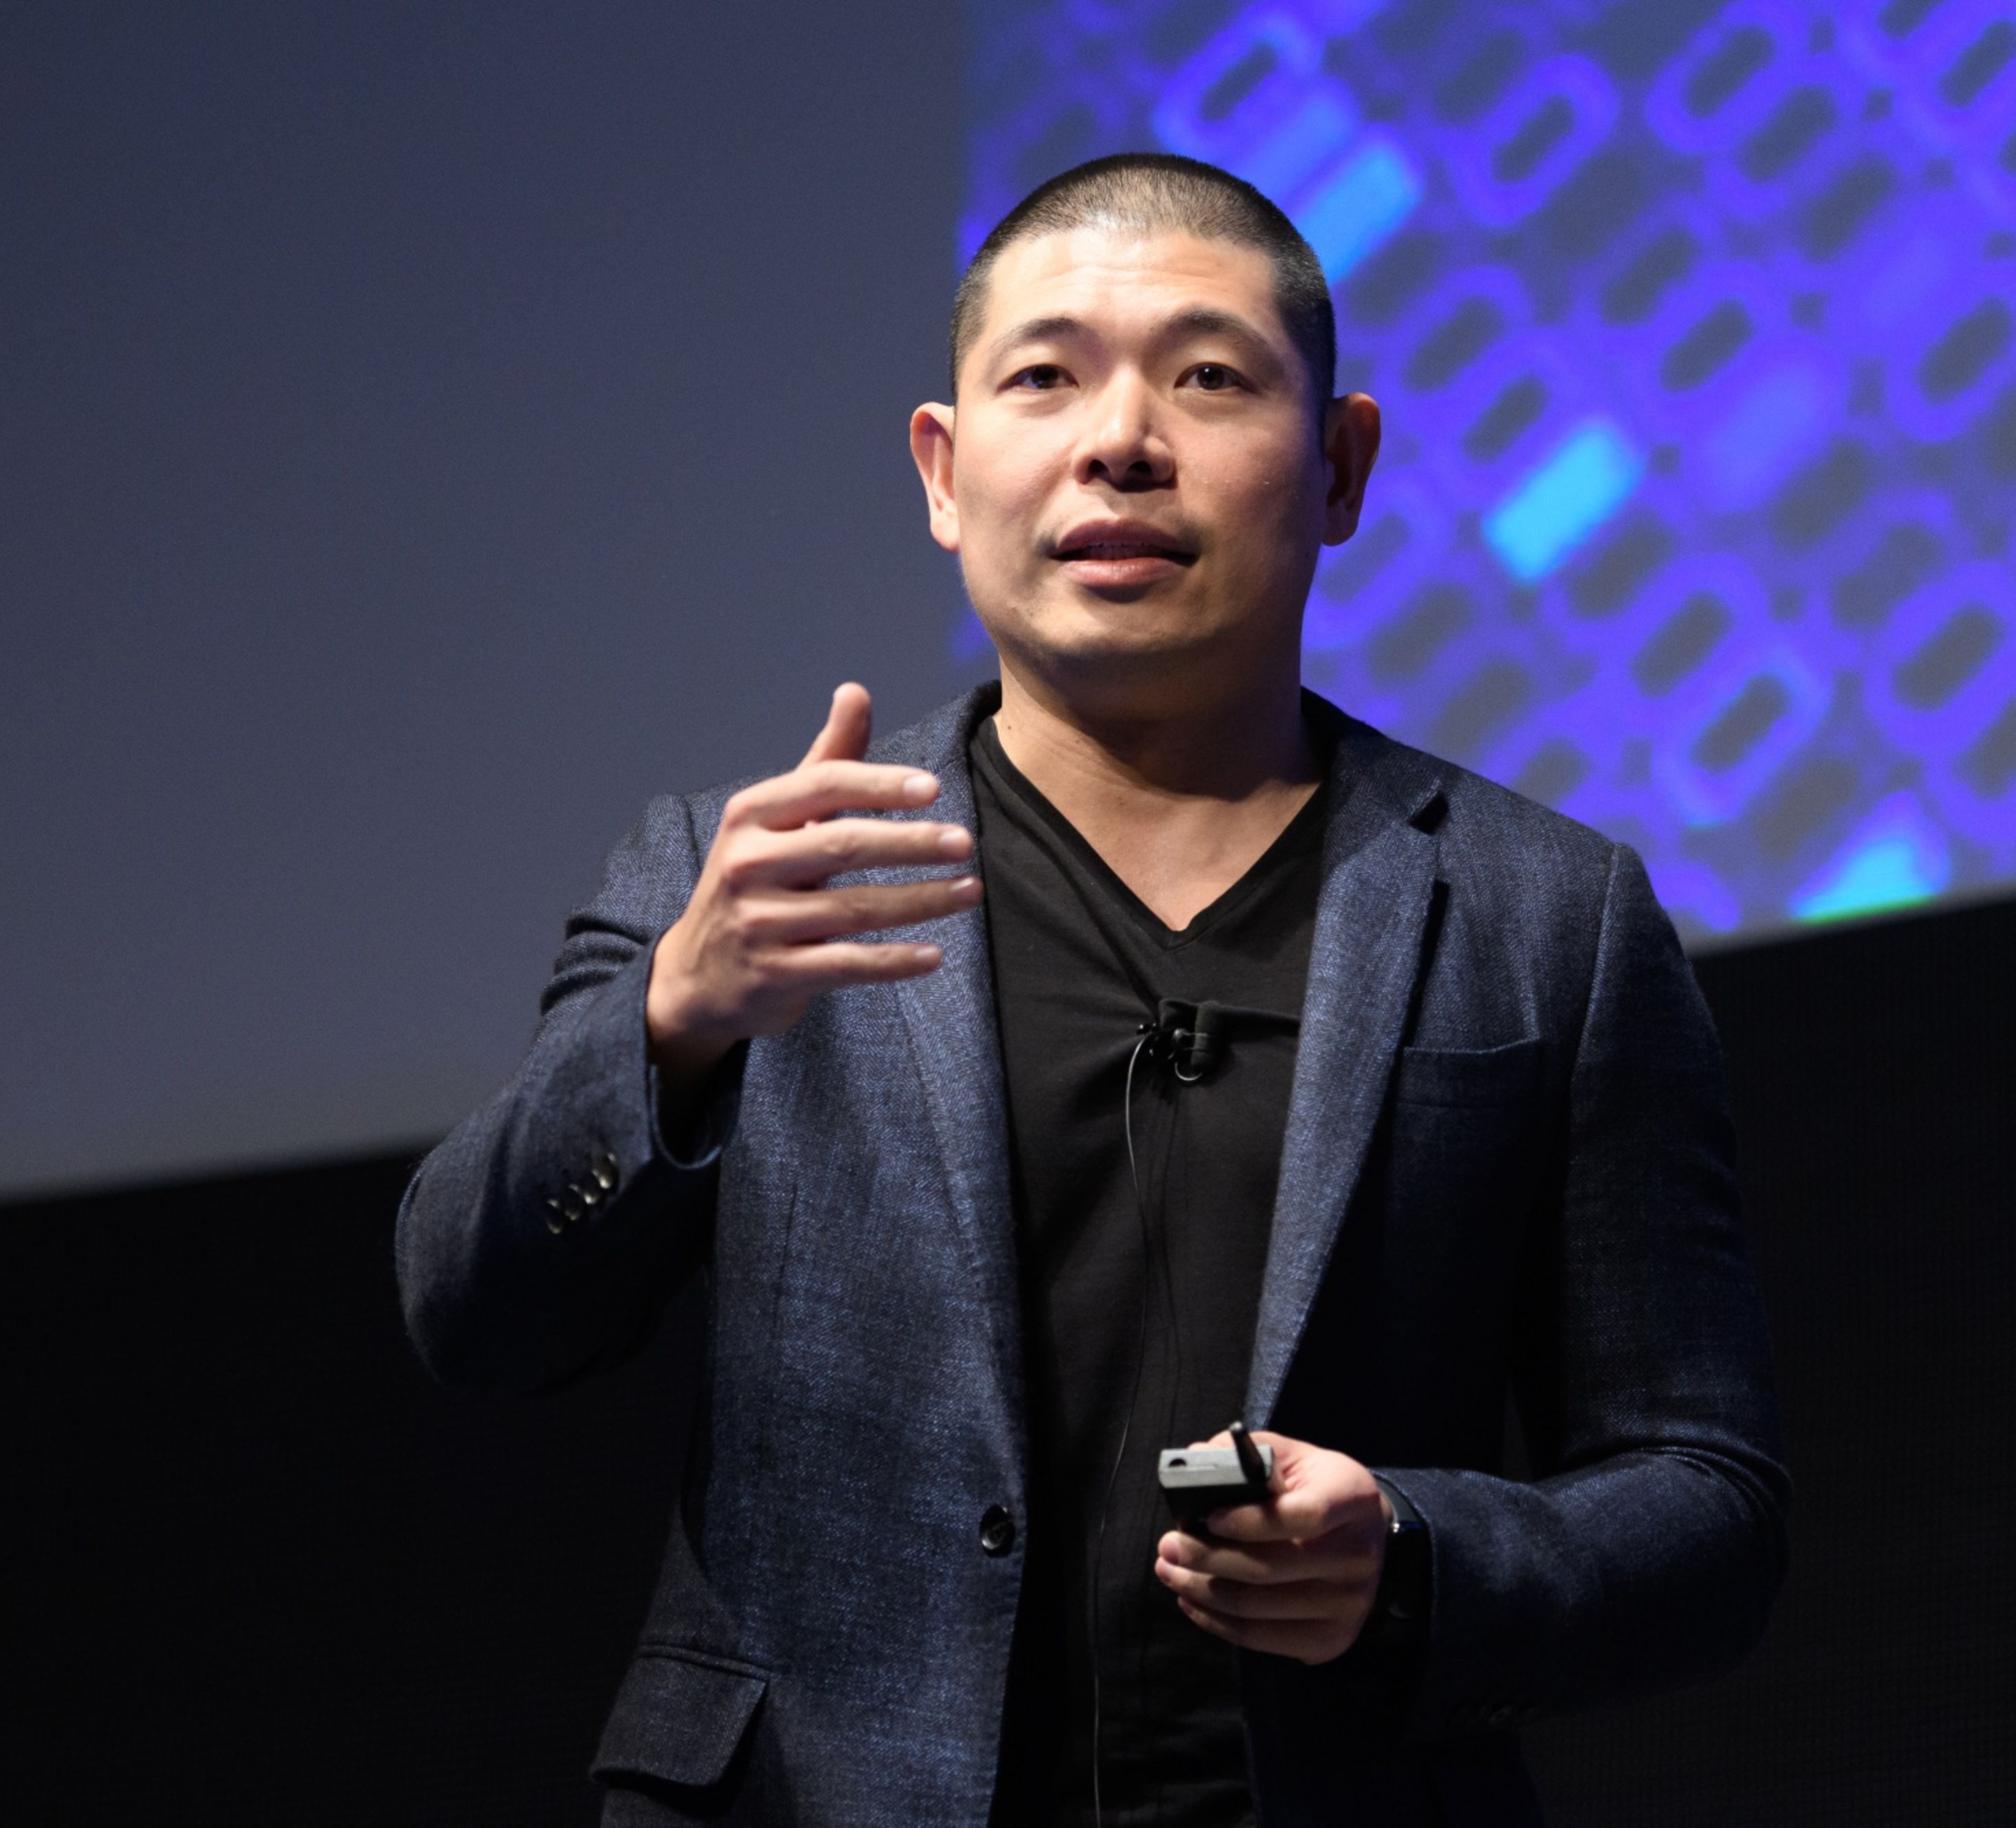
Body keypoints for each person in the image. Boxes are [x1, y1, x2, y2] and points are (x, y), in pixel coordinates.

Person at [396, 152, 1786, 1828]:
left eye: (1208, 377)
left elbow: (1705, 1499)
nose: (1120, 438)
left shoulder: (1544, 914)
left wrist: (1412, 1554)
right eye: (1044, 377)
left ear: (1340, 465)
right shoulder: (738, 873)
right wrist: (670, 1024)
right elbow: (474, 1313)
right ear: (943, 468)